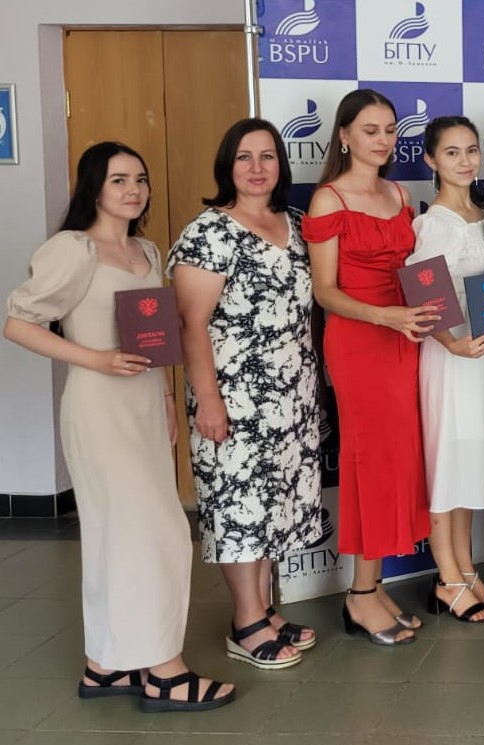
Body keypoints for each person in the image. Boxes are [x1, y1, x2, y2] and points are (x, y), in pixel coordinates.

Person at [4, 141, 235, 711]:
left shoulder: (145, 250)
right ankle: (165, 671)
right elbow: (18, 323)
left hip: (143, 406)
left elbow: (152, 337)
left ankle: (106, 665)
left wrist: (165, 396)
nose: (134, 190)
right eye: (119, 180)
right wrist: (97, 359)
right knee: (151, 535)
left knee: (121, 536)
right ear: (94, 187)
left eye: (140, 179)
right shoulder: (72, 249)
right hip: (99, 409)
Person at [169, 118, 322, 670]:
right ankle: (246, 622)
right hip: (234, 395)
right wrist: (207, 400)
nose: (257, 168)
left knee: (272, 503)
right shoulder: (210, 231)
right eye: (244, 157)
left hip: (293, 392)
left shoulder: (296, 223)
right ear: (226, 166)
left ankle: (264, 609)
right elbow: (192, 324)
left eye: (267, 156)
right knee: (240, 506)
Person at [302, 88, 431, 646]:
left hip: (405, 334)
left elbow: (414, 270)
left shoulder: (398, 193)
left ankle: (372, 586)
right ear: (344, 135)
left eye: (390, 130)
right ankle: (358, 594)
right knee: (370, 461)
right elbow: (325, 291)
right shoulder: (328, 200)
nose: (383, 140)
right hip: (360, 339)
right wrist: (385, 316)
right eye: (371, 130)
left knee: (396, 460)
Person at [408, 115, 484, 624]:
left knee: (470, 459)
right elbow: (422, 292)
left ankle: (467, 568)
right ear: (431, 160)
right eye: (452, 152)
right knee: (448, 460)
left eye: (471, 150)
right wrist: (452, 344)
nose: (466, 161)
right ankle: (446, 577)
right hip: (452, 358)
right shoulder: (434, 223)